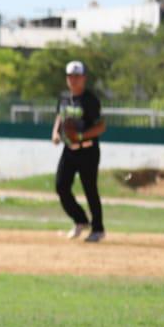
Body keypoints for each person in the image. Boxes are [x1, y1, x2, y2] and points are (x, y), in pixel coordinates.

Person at [52, 60, 108, 242]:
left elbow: (100, 127)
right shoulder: (64, 99)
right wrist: (55, 132)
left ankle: (98, 229)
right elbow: (61, 115)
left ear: (84, 78)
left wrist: (81, 136)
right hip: (69, 150)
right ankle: (81, 220)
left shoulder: (90, 100)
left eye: (77, 76)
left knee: (90, 188)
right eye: (70, 76)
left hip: (88, 150)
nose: (73, 80)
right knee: (61, 186)